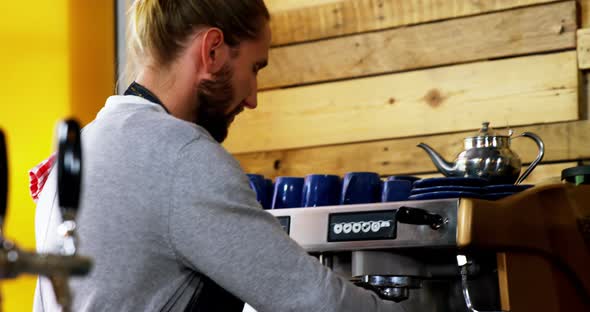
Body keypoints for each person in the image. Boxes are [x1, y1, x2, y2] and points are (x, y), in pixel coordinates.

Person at [33, 0, 405, 311]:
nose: (252, 98)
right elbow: (315, 301)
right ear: (212, 50)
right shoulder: (181, 155)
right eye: (254, 68)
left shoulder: (82, 146)